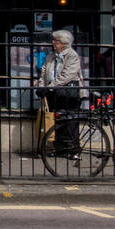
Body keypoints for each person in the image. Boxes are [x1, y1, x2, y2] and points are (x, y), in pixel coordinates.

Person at [40, 29, 83, 157]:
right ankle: (59, 149)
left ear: (64, 43)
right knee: (57, 120)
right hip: (54, 92)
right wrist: (42, 86)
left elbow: (67, 75)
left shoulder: (72, 55)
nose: (53, 42)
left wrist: (50, 86)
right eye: (53, 40)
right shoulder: (50, 56)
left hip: (69, 92)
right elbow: (44, 73)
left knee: (70, 120)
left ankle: (72, 150)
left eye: (56, 41)